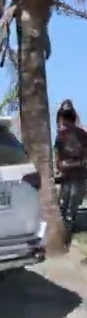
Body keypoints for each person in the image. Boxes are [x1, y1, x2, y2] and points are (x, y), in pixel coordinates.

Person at [55, 100, 87, 233]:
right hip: (69, 175)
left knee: (69, 205)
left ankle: (66, 231)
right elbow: (58, 156)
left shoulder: (81, 134)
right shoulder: (61, 136)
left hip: (76, 175)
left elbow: (58, 157)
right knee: (67, 204)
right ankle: (64, 230)